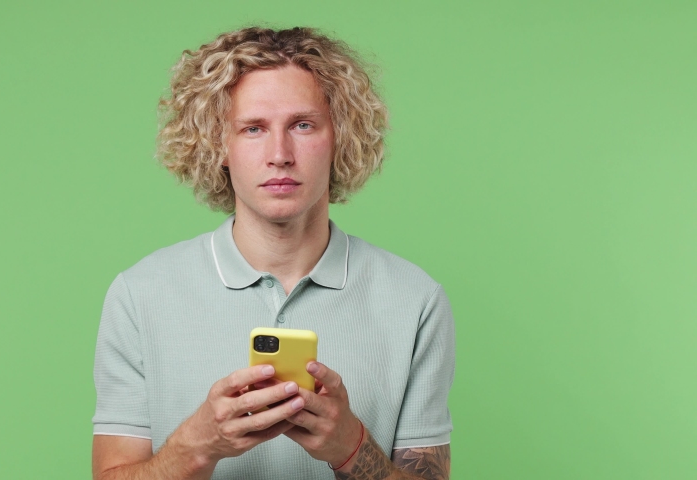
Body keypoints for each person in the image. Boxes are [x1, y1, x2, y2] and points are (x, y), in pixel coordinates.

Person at [91, 27, 455, 480]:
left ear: (340, 137)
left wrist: (349, 447)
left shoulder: (415, 300)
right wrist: (197, 446)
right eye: (253, 128)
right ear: (218, 145)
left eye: (303, 125)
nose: (279, 154)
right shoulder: (139, 295)